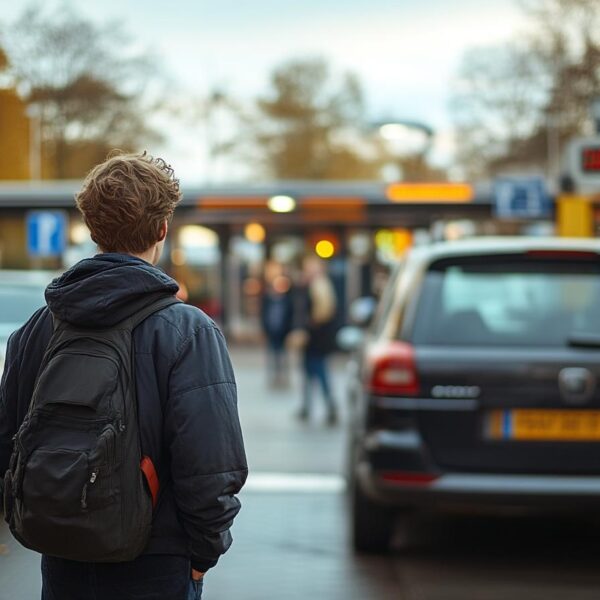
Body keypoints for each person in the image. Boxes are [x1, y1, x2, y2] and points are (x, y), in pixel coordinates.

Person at [0, 152, 247, 600]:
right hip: (158, 562)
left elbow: (8, 446)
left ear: (93, 229)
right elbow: (211, 468)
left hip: (61, 559)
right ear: (162, 229)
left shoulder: (35, 330)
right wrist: (202, 556)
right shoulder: (187, 332)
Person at [294, 255, 339, 426]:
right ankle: (309, 407)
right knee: (309, 373)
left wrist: (307, 328)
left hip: (316, 340)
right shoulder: (313, 285)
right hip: (314, 339)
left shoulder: (319, 285)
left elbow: (322, 313)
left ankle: (328, 407)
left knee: (319, 373)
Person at [260, 261, 294, 387]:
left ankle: (283, 378)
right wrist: (264, 329)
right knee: (272, 355)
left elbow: (290, 317)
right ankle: (273, 378)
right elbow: (264, 315)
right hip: (272, 331)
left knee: (283, 356)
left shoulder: (287, 301)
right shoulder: (268, 300)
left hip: (283, 332)